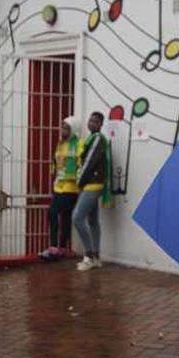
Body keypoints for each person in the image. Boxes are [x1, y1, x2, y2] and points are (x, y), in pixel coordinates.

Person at [73, 112, 113, 271]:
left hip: (92, 184)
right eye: (90, 120)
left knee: (77, 218)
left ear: (101, 125)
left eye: (95, 122)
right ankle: (96, 257)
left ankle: (88, 256)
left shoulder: (97, 139)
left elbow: (89, 162)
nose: (91, 123)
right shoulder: (90, 138)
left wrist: (80, 182)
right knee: (92, 221)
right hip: (91, 183)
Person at [39, 116, 81, 262]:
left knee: (52, 212)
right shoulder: (60, 143)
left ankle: (53, 247)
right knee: (65, 216)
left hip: (70, 186)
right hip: (59, 185)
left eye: (66, 128)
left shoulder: (78, 144)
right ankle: (62, 248)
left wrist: (79, 182)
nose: (63, 130)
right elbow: (56, 163)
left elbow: (80, 164)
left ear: (73, 129)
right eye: (62, 127)